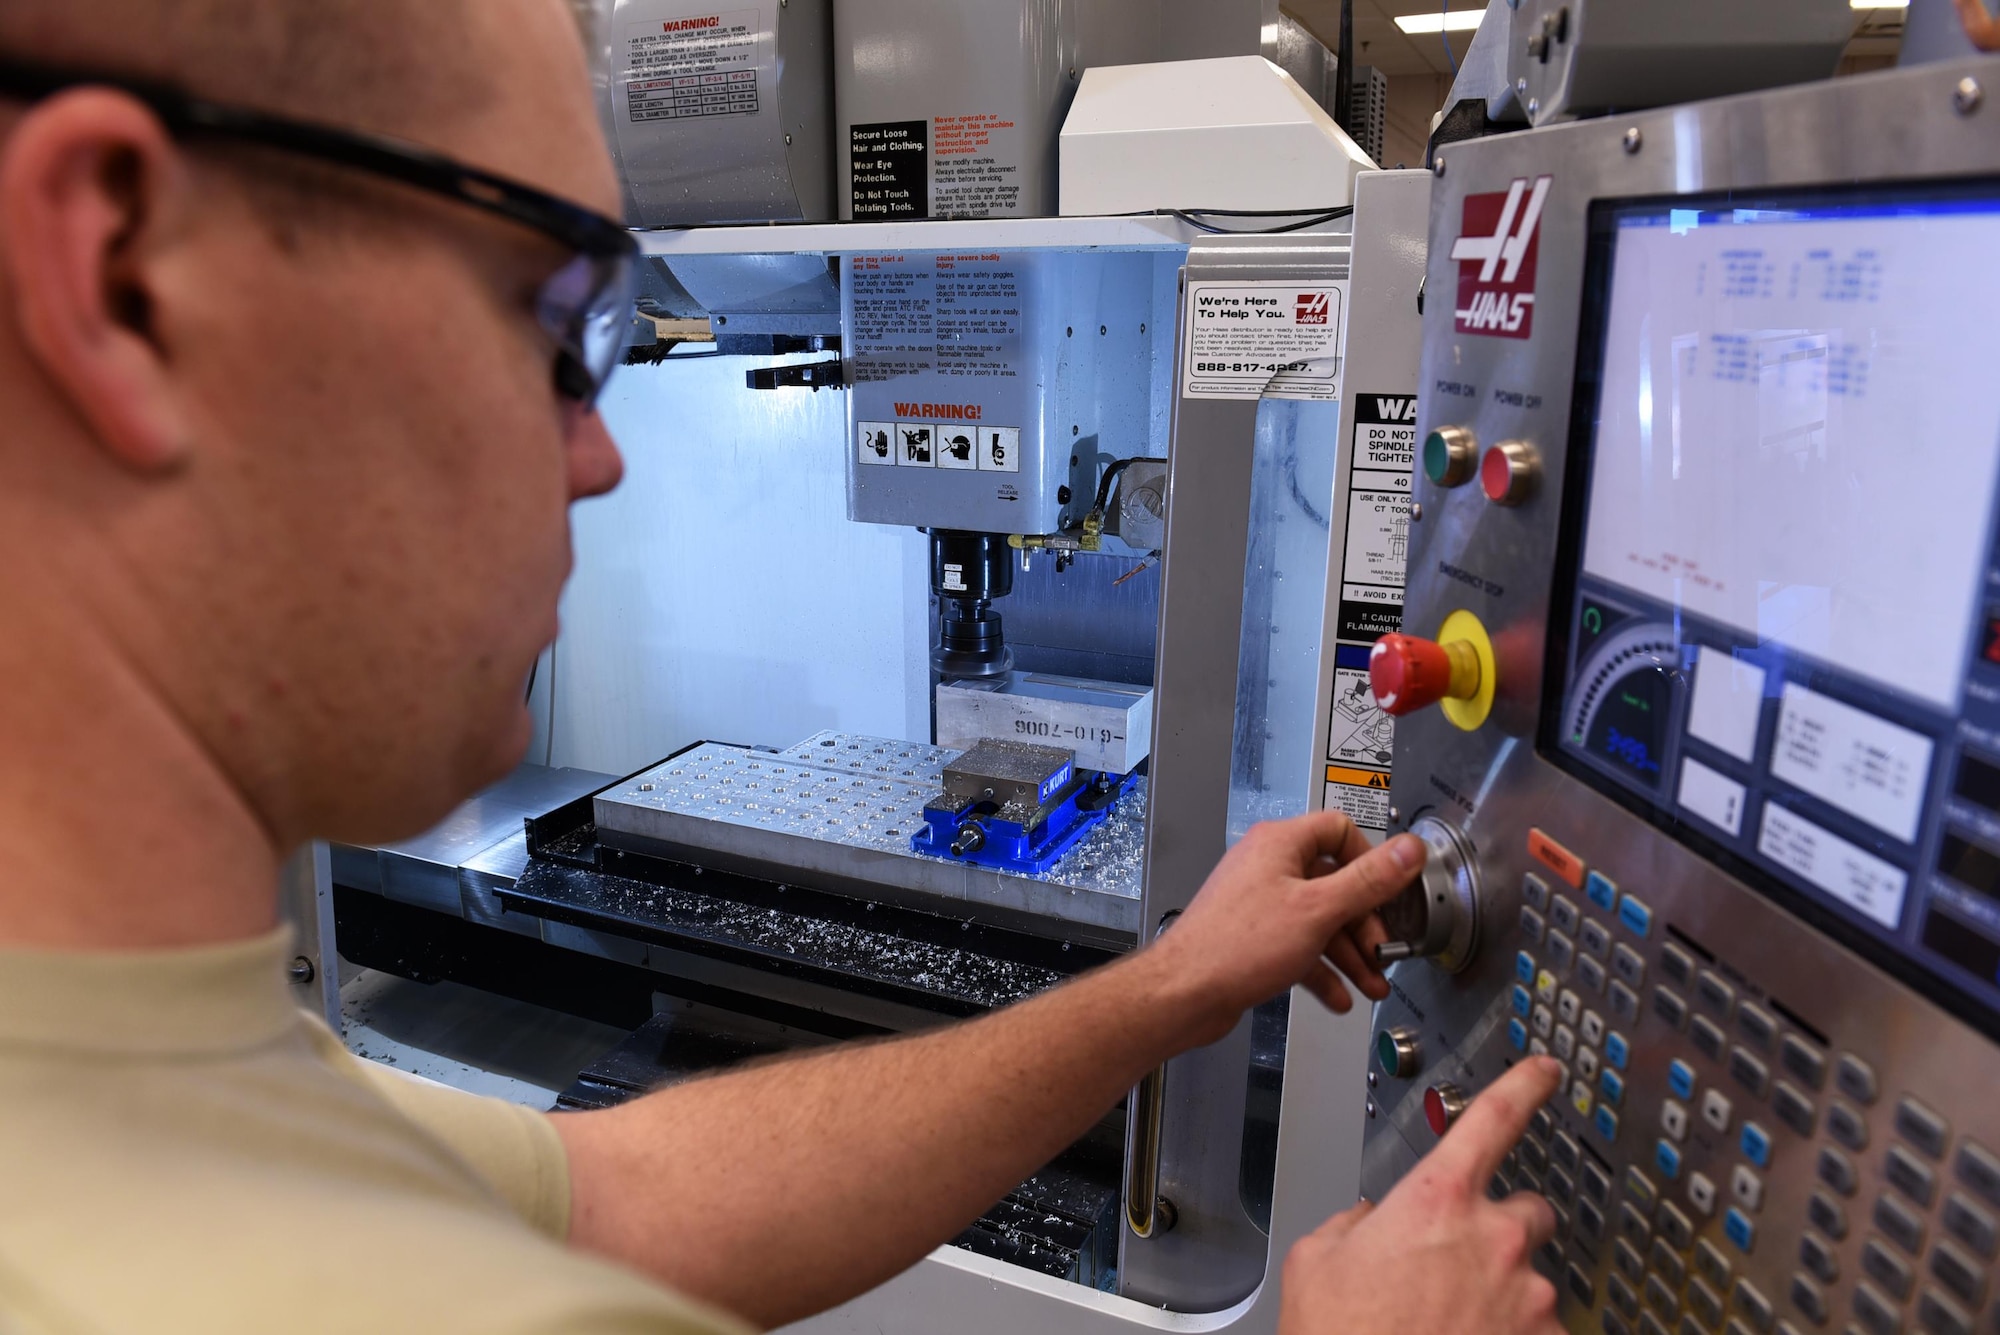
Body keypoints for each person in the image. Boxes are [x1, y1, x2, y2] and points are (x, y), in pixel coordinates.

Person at [0, 2, 1563, 1332]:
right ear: (129, 274)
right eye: (553, 320)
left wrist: (1164, 988)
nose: (606, 456)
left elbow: (618, 1197)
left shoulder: (174, 1081)